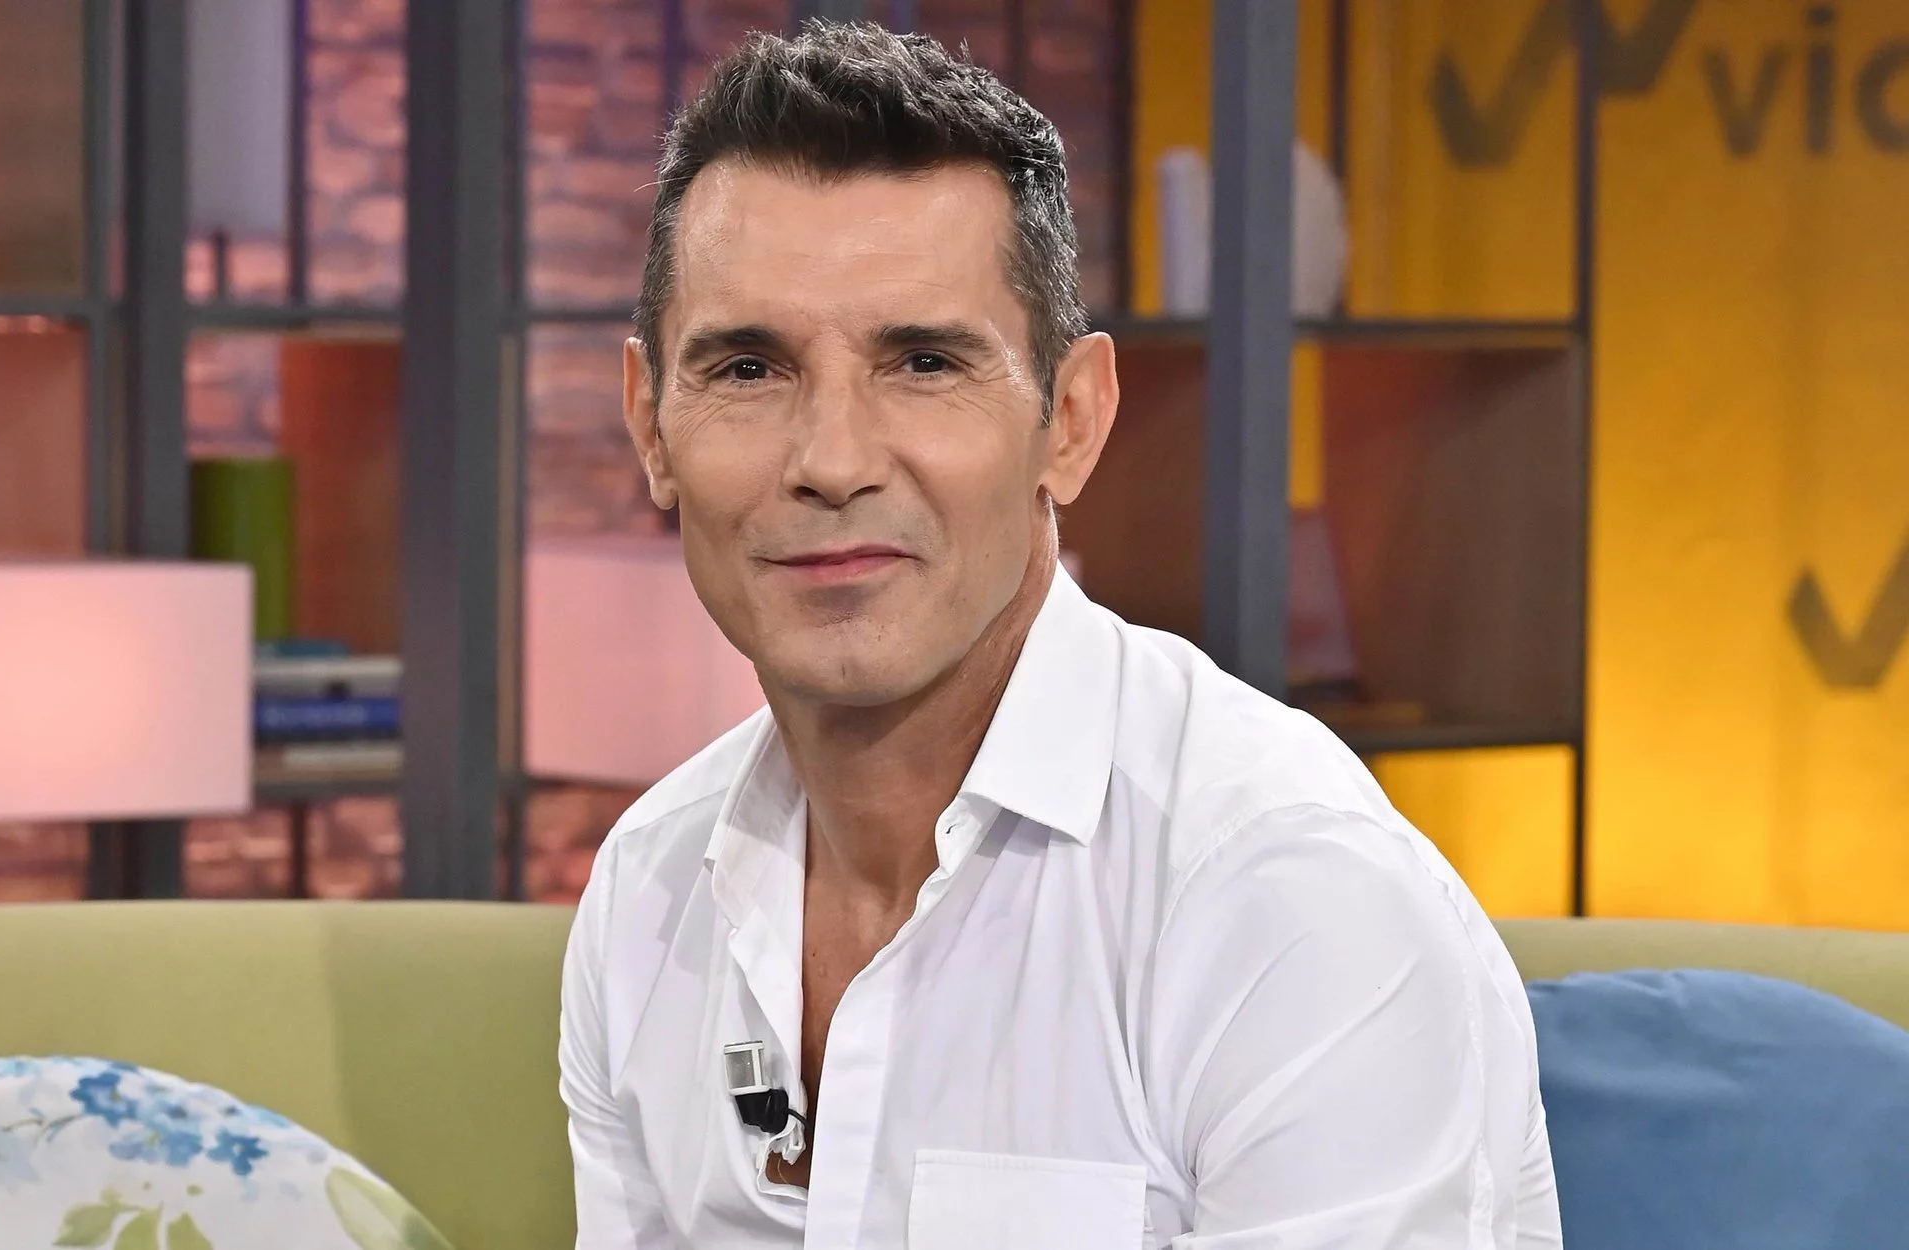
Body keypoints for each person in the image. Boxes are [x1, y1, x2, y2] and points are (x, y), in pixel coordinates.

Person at [559, 21, 1561, 1250]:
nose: (830, 460)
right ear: (649, 426)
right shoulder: (648, 889)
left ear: (1071, 421)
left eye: (923, 362)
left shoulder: (1286, 891)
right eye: (748, 370)